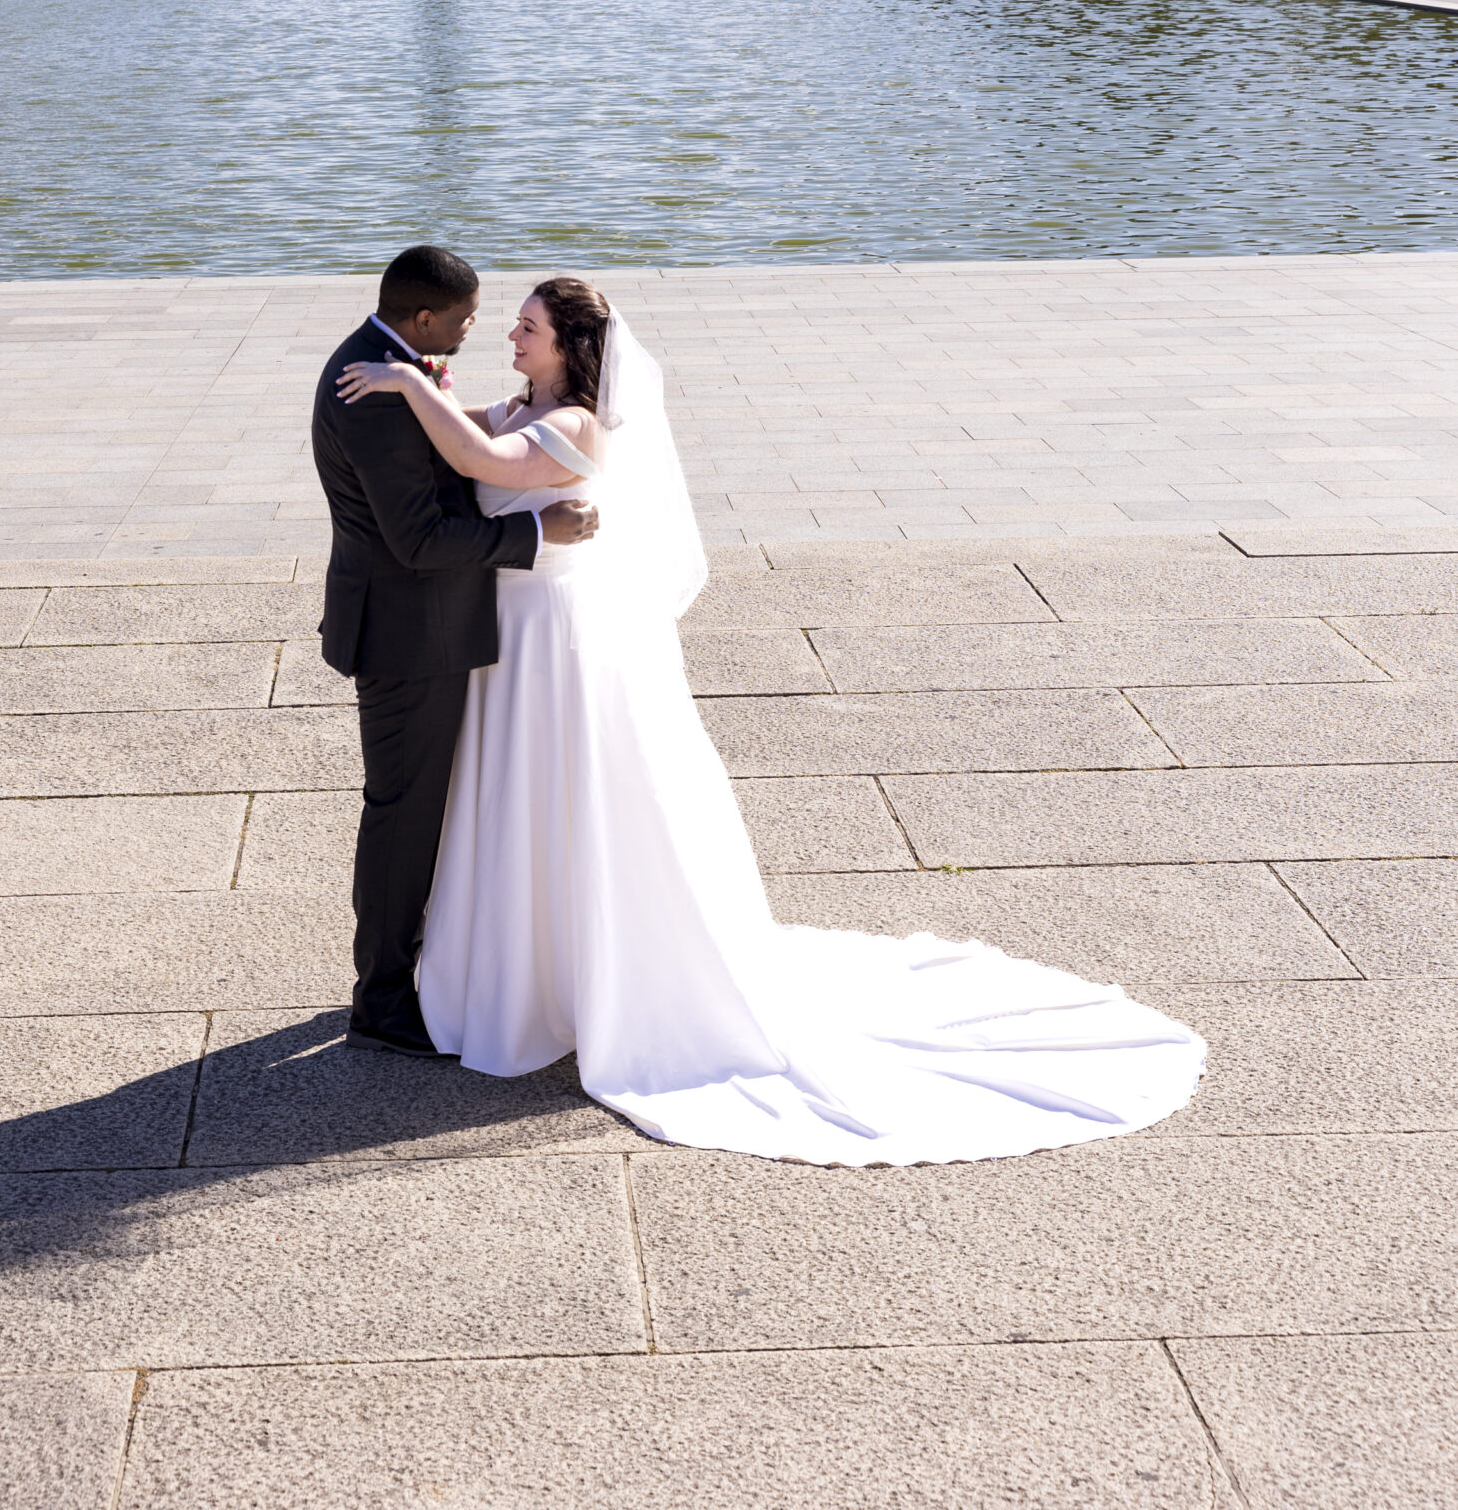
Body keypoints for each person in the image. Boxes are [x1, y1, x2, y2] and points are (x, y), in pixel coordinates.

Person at [335, 276, 1207, 1166]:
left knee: (570, 796)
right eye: (513, 324)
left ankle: (585, 975)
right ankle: (517, 970)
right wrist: (432, 390)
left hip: (556, 640)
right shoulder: (522, 401)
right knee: (514, 805)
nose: (511, 337)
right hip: (509, 639)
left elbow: (484, 466)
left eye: (527, 328)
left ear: (570, 347)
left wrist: (409, 386)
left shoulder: (579, 427)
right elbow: (476, 434)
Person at [310, 244, 598, 1056]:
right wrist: (535, 530)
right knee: (403, 817)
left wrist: (428, 389)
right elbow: (419, 539)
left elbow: (465, 450)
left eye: (515, 323)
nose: (484, 329)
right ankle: (382, 1001)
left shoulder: (388, 364)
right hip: (409, 633)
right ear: (426, 316)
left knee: (428, 809)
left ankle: (414, 970)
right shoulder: (376, 388)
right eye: (473, 317)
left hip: (430, 626)